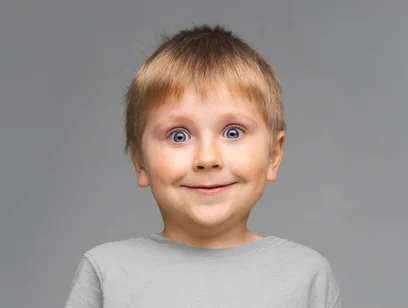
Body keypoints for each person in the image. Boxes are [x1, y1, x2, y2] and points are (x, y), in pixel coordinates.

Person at [63, 24, 341, 308]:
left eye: (233, 132)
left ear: (274, 155)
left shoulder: (306, 277)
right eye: (178, 135)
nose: (207, 158)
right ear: (140, 162)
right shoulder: (106, 273)